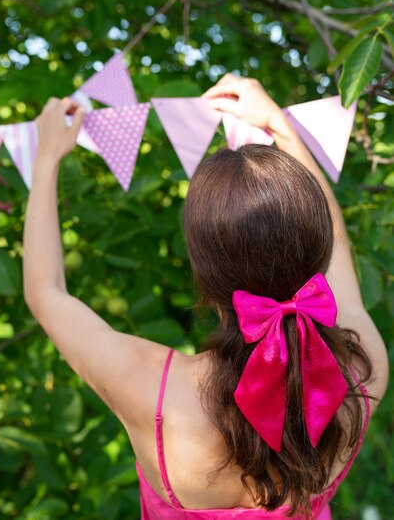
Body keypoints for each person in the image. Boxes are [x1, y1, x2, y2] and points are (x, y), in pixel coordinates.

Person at [23, 74, 389, 519]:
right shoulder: (361, 368)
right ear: (320, 254)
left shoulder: (154, 392)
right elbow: (340, 244)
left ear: (203, 275)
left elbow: (45, 293)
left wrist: (46, 161)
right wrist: (280, 126)